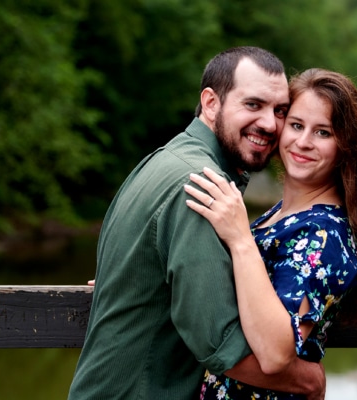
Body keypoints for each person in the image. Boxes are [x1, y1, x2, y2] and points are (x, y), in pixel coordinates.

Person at [68, 47, 326, 400]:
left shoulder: (165, 160)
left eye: (280, 111)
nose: (270, 124)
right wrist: (309, 381)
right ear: (210, 103)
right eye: (253, 105)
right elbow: (220, 345)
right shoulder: (199, 187)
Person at [185, 68, 357, 399]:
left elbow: (274, 355)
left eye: (323, 132)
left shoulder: (323, 234)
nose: (303, 142)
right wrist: (164, 287)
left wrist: (241, 238)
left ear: (346, 146)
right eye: (296, 125)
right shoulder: (283, 215)